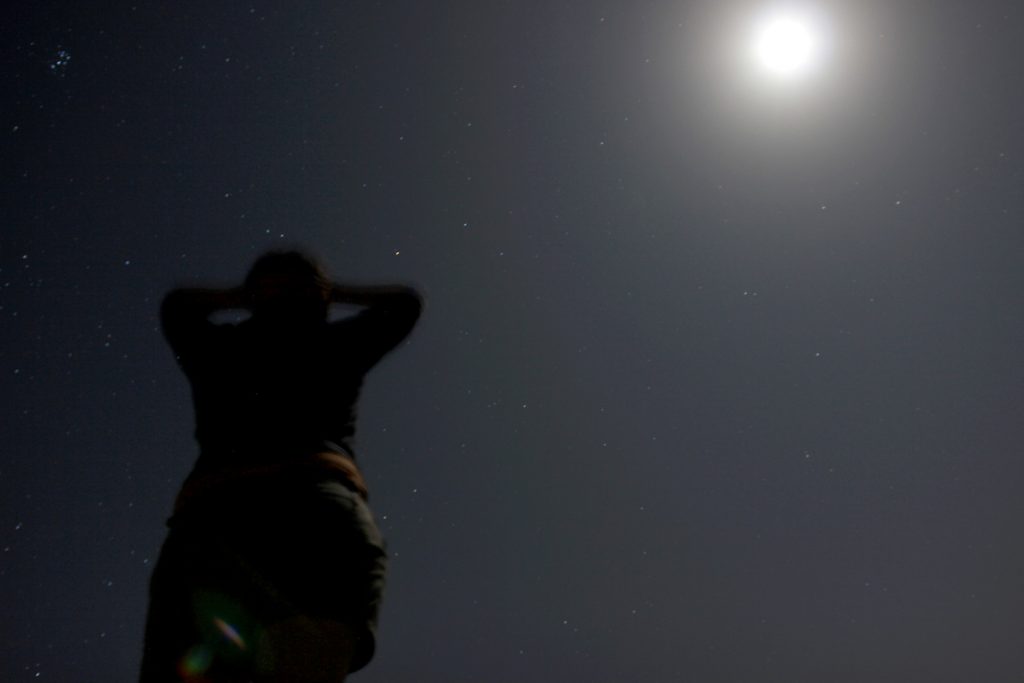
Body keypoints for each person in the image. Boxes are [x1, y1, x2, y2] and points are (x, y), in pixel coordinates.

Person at [140, 251, 422, 682]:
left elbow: (177, 306)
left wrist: (243, 295)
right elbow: (404, 305)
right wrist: (331, 291)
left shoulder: (218, 349)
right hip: (313, 505)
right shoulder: (335, 345)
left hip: (216, 516)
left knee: (184, 659)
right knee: (307, 654)